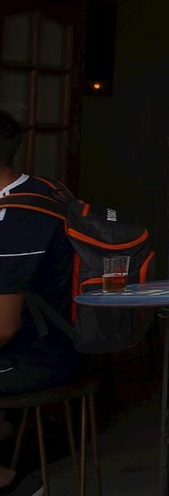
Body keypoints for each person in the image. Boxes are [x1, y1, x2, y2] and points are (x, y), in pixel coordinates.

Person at [0, 109, 80, 396]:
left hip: (35, 358)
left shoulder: (14, 220)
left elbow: (3, 329)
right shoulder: (47, 189)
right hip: (56, 342)